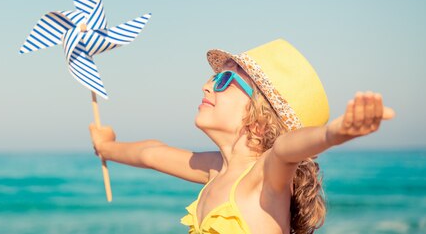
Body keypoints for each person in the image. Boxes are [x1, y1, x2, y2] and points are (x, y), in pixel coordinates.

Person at [89, 39, 395, 234]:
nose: (206, 86)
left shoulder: (264, 176)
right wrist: (107, 146)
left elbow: (288, 148)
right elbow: (152, 154)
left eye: (224, 79)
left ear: (261, 116)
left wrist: (333, 134)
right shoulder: (216, 170)